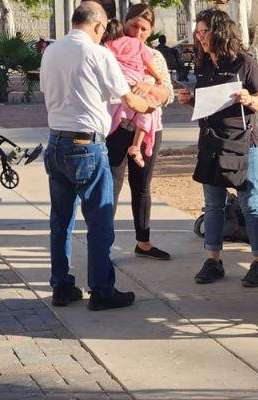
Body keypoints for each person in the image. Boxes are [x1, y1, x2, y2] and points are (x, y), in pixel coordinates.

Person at [40, 1, 153, 311]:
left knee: (60, 221)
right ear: (100, 26)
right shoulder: (98, 53)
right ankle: (102, 289)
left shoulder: (51, 51)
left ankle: (61, 285)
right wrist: (151, 103)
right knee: (99, 221)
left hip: (56, 141)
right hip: (86, 145)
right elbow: (128, 99)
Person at [176, 9, 258, 287]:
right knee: (213, 204)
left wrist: (248, 98)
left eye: (204, 31)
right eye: (198, 32)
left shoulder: (245, 63)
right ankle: (213, 260)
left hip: (242, 142)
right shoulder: (204, 63)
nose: (200, 37)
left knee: (250, 202)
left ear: (219, 32)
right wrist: (190, 100)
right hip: (210, 140)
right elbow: (211, 103)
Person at [107, 3, 174, 261]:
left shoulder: (154, 56)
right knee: (111, 185)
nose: (138, 32)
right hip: (117, 126)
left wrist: (146, 86)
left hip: (148, 128)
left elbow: (166, 93)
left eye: (144, 28)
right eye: (134, 25)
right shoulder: (111, 50)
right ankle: (104, 244)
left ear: (152, 30)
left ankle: (143, 242)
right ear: (125, 22)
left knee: (142, 186)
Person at [101, 18, 163, 168]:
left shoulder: (104, 46)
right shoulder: (136, 44)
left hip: (120, 85)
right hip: (136, 82)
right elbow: (149, 63)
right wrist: (158, 77)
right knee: (148, 110)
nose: (138, 32)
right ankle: (137, 145)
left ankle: (134, 145)